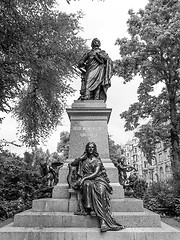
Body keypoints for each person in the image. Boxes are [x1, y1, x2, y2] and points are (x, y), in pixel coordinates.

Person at [70, 142, 125, 232]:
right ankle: (90, 208)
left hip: (98, 179)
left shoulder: (97, 160)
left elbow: (96, 173)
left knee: (100, 191)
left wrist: (84, 178)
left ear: (94, 149)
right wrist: (80, 158)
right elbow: (73, 164)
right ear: (87, 149)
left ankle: (102, 221)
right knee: (87, 184)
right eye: (89, 147)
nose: (90, 149)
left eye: (92, 147)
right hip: (87, 180)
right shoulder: (83, 160)